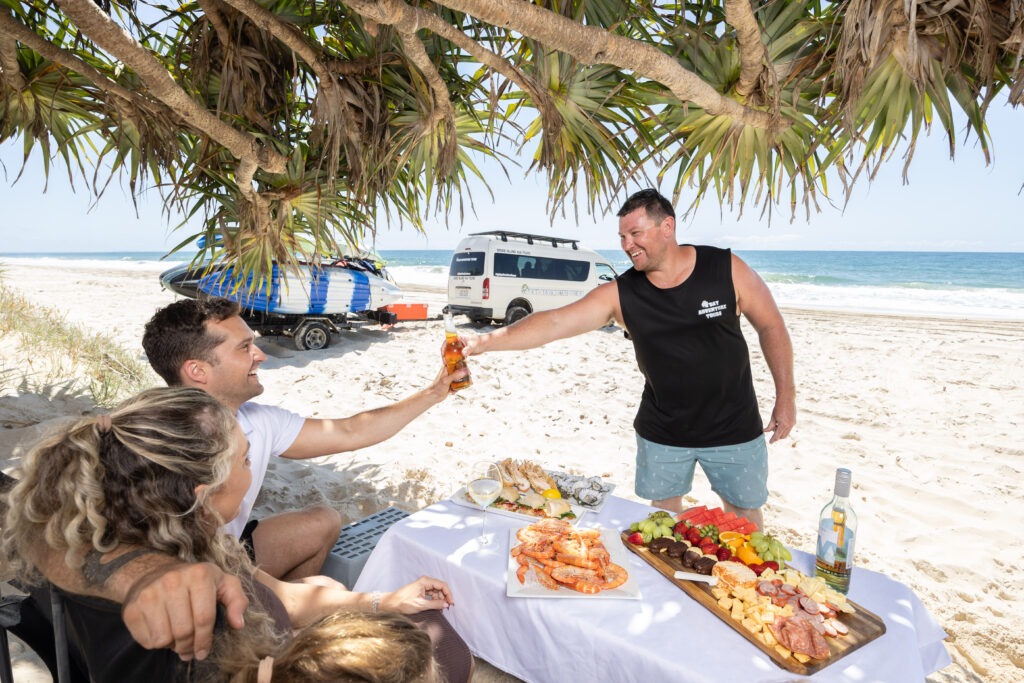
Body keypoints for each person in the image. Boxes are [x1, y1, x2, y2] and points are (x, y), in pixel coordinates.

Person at [0, 387, 470, 682]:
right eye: (245, 460)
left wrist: (382, 602)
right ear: (204, 495)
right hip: (272, 657)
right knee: (443, 645)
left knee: (329, 588)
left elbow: (282, 596)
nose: (252, 469)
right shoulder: (198, 613)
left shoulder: (106, 525)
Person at [462, 189, 795, 530]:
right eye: (622, 236)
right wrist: (484, 342)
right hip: (663, 430)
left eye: (636, 233)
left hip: (734, 426)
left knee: (746, 521)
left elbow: (771, 326)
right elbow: (555, 322)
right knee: (663, 525)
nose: (627, 244)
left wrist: (786, 397)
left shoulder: (725, 268)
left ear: (667, 227)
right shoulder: (622, 294)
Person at [140, 297, 465, 581]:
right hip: (181, 576)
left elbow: (351, 431)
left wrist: (434, 393)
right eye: (244, 347)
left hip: (230, 549)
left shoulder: (257, 420)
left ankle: (280, 623)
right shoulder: (154, 444)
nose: (260, 355)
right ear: (197, 371)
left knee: (324, 521)